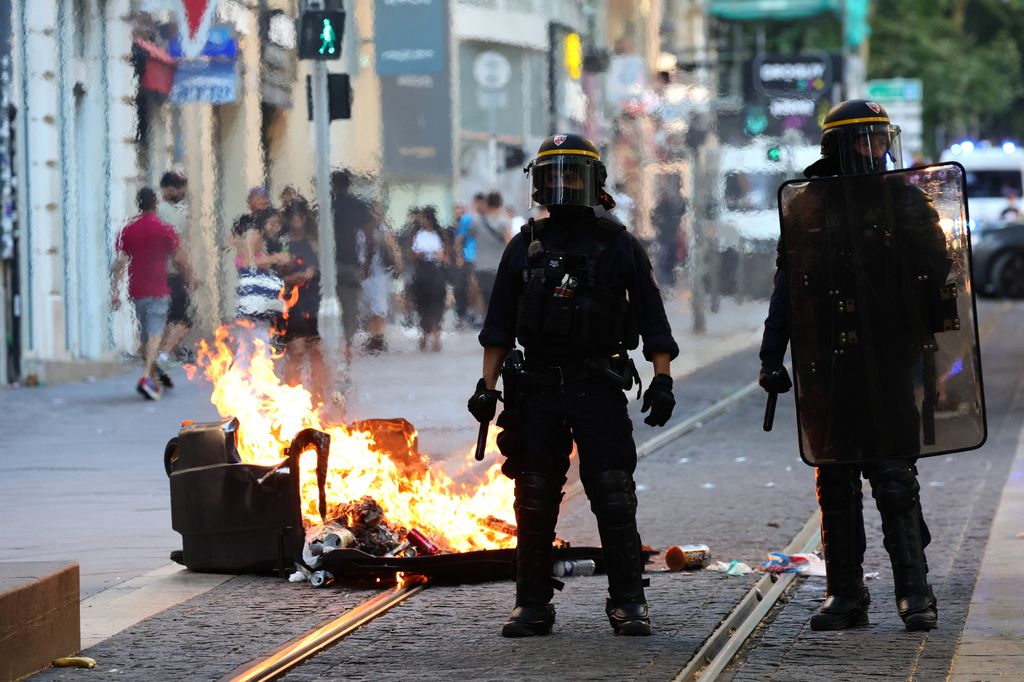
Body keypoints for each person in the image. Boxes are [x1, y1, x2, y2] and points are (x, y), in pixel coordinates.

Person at [468, 134, 678, 637]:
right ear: (540, 183)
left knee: (612, 492)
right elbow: (498, 326)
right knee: (534, 496)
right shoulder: (524, 245)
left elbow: (653, 319)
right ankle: (532, 604)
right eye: (554, 175)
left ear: (593, 184)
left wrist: (662, 379)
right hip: (537, 388)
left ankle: (628, 601)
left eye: (572, 175)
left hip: (598, 384)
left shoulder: (620, 245)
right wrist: (486, 386)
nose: (562, 184)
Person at [759, 100, 944, 633]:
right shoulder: (808, 205)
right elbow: (786, 290)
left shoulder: (906, 203)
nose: (873, 149)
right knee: (835, 483)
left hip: (887, 362)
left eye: (879, 138)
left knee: (893, 478)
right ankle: (846, 593)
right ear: (837, 146)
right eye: (862, 140)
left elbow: (940, 280)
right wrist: (772, 356)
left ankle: (915, 591)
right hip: (829, 366)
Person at [110, 187, 195, 400]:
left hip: (136, 290)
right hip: (158, 288)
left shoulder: (127, 231)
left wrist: (114, 291)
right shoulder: (165, 230)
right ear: (156, 205)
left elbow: (119, 263)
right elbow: (179, 259)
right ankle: (147, 377)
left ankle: (153, 381)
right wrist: (189, 276)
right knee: (156, 334)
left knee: (146, 336)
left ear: (139, 204)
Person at [279, 200, 329, 402]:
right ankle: (293, 397)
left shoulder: (314, 243)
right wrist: (294, 279)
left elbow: (311, 273)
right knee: (296, 351)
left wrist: (298, 277)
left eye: (300, 217)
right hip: (292, 306)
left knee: (316, 351)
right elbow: (279, 275)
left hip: (313, 303)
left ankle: (319, 394)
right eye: (293, 217)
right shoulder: (282, 244)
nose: (297, 221)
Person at [331, 170, 375, 363]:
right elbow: (369, 235)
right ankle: (347, 344)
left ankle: (330, 344)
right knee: (349, 306)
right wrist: (366, 263)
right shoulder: (358, 206)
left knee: (326, 305)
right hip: (351, 263)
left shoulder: (326, 205)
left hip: (328, 264)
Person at [156, 171, 191, 381]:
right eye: (177, 188)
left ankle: (163, 360)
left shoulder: (160, 211)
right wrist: (189, 273)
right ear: (168, 189)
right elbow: (177, 249)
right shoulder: (172, 213)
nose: (180, 191)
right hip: (173, 272)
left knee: (170, 320)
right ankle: (163, 356)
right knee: (183, 321)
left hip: (160, 273)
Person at [233, 208, 290, 336]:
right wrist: (275, 258)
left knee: (258, 341)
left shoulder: (267, 244)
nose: (276, 228)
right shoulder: (253, 235)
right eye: (272, 223)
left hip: (262, 303)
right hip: (254, 303)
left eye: (278, 224)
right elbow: (247, 264)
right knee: (254, 342)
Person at [358, 201, 403, 354]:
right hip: (366, 274)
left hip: (380, 273)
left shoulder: (382, 228)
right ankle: (374, 337)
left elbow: (393, 246)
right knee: (370, 306)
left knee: (379, 306)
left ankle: (379, 338)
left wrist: (398, 261)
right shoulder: (361, 230)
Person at [409, 206, 448, 352]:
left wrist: (439, 256)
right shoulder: (417, 235)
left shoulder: (440, 235)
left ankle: (436, 336)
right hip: (422, 272)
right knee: (423, 304)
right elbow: (413, 253)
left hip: (436, 273)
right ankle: (425, 335)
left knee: (437, 304)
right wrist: (423, 254)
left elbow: (446, 255)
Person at [454, 193, 486, 326]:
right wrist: (459, 257)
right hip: (470, 257)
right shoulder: (467, 219)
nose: (481, 206)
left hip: (485, 259)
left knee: (480, 288)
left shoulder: (488, 219)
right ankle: (470, 313)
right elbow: (458, 240)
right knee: (472, 286)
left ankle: (478, 313)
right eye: (478, 203)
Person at [474, 191, 511, 308]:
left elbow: (471, 236)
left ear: (487, 203)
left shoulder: (477, 221)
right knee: (497, 297)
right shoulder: (504, 222)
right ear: (500, 204)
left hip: (481, 266)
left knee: (484, 297)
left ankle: (484, 320)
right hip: (497, 267)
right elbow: (509, 244)